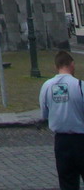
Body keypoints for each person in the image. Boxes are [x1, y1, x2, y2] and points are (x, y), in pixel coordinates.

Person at [40, 49, 84, 189]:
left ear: (56, 66)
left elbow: (44, 113)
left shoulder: (47, 86)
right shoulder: (80, 85)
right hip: (81, 139)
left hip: (61, 142)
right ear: (72, 64)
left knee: (67, 182)